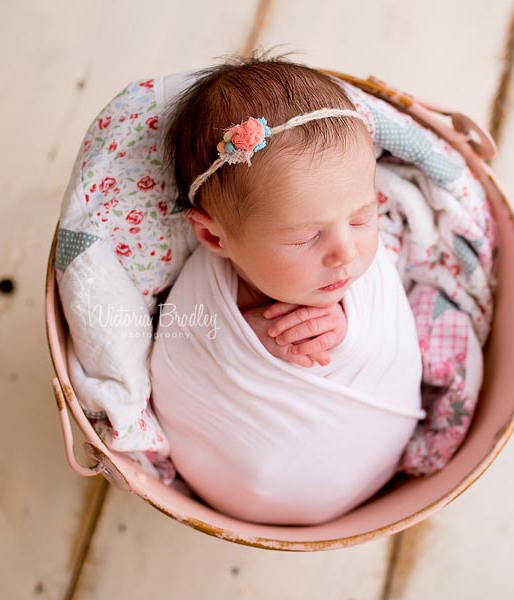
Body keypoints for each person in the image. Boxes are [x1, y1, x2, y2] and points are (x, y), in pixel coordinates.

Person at [150, 54, 424, 525]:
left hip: (375, 448)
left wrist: (347, 332)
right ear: (216, 237)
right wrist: (250, 339)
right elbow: (180, 348)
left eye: (362, 217)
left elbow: (388, 341)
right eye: (305, 237)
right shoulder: (203, 294)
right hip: (239, 483)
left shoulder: (358, 263)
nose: (346, 253)